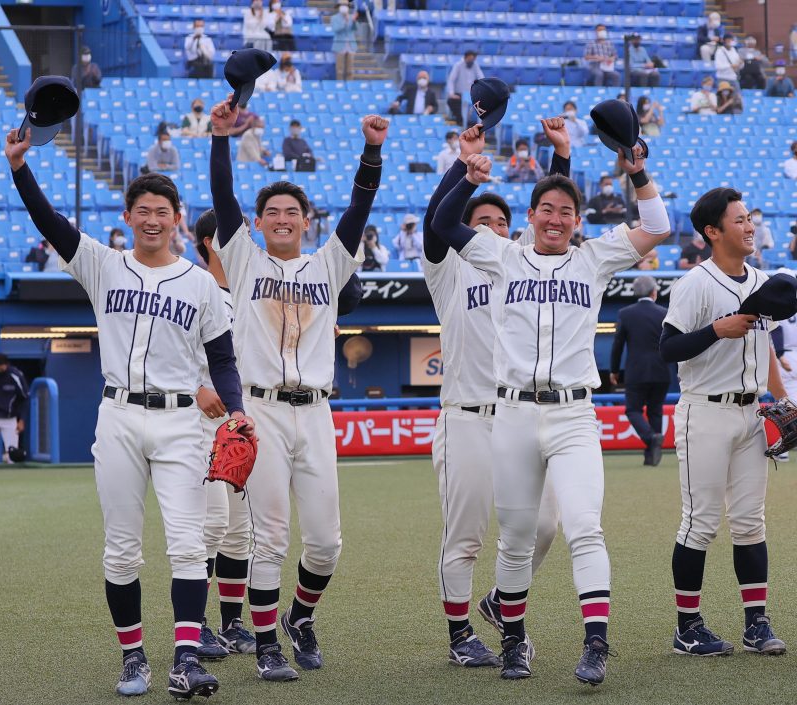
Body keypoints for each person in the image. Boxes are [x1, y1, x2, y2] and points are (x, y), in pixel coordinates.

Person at [7, 123, 252, 700]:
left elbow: (223, 361)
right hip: (117, 416)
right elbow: (51, 224)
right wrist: (21, 169)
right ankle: (133, 655)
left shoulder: (200, 285)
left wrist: (236, 414)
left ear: (177, 218)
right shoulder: (103, 264)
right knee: (121, 546)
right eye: (142, 209)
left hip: (179, 423)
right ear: (127, 215)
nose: (152, 219)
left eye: (162, 210)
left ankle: (187, 659)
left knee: (189, 543)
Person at [431, 125, 671, 684]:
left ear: (578, 221)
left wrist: (636, 170)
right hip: (512, 412)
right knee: (515, 538)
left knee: (584, 527)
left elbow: (658, 225)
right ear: (531, 216)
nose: (556, 218)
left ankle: (596, 645)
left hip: (572, 414)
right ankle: (514, 642)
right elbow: (443, 225)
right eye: (546, 209)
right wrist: (467, 178)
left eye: (566, 210)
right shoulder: (501, 255)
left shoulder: (595, 259)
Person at [209, 97, 387, 682]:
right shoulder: (242, 261)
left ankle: (300, 618)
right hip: (260, 409)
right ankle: (265, 647)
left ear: (306, 221)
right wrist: (220, 137)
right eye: (273, 211)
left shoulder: (327, 267)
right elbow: (222, 197)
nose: (283, 217)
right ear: (258, 223)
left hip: (314, 413)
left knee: (328, 543)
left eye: (293, 211)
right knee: (270, 539)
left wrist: (371, 151)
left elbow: (359, 211)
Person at [423, 121, 568, 670]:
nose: (494, 229)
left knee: (547, 525)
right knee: (465, 537)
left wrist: (561, 160)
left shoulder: (521, 267)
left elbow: (554, 218)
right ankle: (461, 633)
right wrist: (465, 169)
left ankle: (499, 601)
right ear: (466, 228)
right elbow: (439, 224)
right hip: (465, 416)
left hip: (518, 416)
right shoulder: (449, 270)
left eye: (502, 223)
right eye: (482, 222)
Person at [659, 187, 788, 658]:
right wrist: (717, 328)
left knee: (750, 522)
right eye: (739, 219)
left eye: (749, 217)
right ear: (713, 232)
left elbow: (766, 344)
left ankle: (756, 623)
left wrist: (784, 397)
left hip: (752, 411)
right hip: (705, 411)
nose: (750, 225)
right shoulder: (696, 282)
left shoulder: (762, 279)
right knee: (700, 523)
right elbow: (666, 349)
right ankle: (687, 627)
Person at [190, 211, 258, 660]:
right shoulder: (194, 287)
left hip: (242, 425)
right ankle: (193, 626)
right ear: (213, 242)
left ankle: (232, 623)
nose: (249, 241)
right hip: (200, 424)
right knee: (210, 526)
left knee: (240, 533)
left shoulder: (254, 295)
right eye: (241, 234)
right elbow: (162, 350)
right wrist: (195, 389)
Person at [609, 275, 670, 465]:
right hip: (661, 369)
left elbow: (617, 344)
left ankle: (651, 438)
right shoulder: (664, 313)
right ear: (654, 291)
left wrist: (614, 370)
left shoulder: (625, 313)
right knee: (655, 411)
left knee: (633, 409)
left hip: (636, 370)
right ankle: (651, 456)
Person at [445, 51, 484, 125]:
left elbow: (481, 78)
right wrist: (451, 93)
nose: (471, 61)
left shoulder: (475, 65)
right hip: (459, 94)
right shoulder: (458, 65)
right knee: (451, 101)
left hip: (472, 94)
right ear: (465, 58)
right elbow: (451, 80)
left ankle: (477, 124)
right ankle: (461, 121)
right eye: (469, 59)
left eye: (472, 59)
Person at [330, 2, 357, 81]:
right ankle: (340, 85)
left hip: (350, 45)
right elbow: (335, 29)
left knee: (350, 70)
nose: (344, 7)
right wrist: (345, 22)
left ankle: (350, 85)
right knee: (339, 70)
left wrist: (354, 22)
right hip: (339, 45)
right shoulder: (334, 18)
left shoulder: (351, 17)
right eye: (342, 6)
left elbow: (355, 29)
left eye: (346, 6)